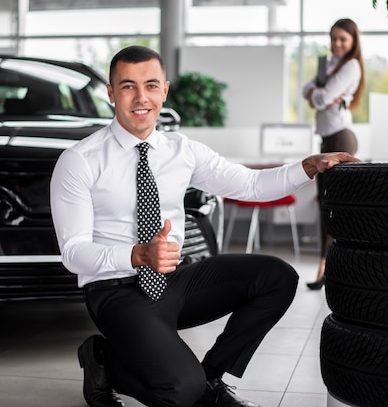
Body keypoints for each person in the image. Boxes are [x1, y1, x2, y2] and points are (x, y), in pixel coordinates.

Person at [50, 45, 359, 407]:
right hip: (115, 290)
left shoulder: (182, 150)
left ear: (164, 90)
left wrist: (307, 167)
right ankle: (103, 359)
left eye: (150, 86)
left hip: (174, 280)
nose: (140, 98)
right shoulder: (79, 161)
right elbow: (74, 254)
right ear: (111, 92)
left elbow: (250, 184)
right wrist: (137, 254)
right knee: (180, 392)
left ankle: (210, 378)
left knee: (276, 277)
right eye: (128, 86)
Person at [301, 18, 365, 291]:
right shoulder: (327, 65)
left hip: (341, 138)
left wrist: (319, 93)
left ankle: (329, 268)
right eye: (334, 38)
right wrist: (319, 93)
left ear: (352, 43)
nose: (337, 44)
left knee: (333, 206)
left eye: (343, 39)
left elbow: (321, 98)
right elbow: (308, 91)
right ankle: (325, 267)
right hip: (326, 140)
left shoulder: (350, 66)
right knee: (325, 206)